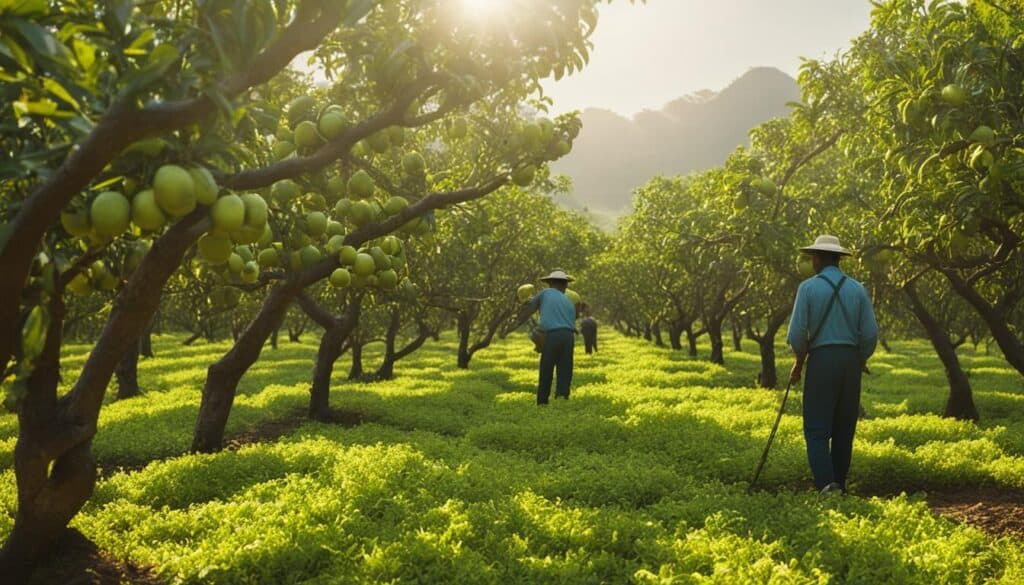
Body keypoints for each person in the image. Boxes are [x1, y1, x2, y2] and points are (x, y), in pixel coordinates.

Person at [787, 235, 878, 495]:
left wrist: (799, 361)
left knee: (816, 427)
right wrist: (860, 358)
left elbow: (796, 335)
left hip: (822, 361)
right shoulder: (857, 288)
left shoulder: (808, 288)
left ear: (817, 258)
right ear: (838, 258)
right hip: (850, 362)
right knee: (844, 427)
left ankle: (827, 485)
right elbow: (870, 334)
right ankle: (840, 482)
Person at [521, 270, 578, 405]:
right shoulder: (568, 301)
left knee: (546, 369)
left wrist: (522, 306)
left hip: (552, 336)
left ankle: (542, 403)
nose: (566, 287)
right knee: (565, 371)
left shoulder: (545, 293)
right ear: (563, 284)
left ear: (550, 283)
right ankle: (562, 401)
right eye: (565, 285)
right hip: (568, 337)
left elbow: (529, 310)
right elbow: (572, 320)